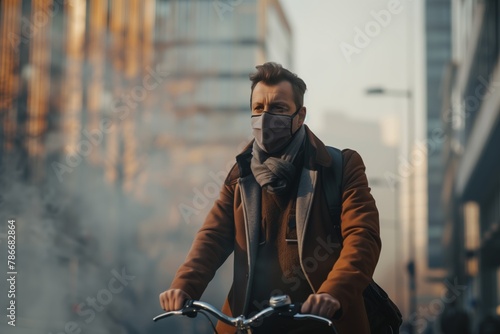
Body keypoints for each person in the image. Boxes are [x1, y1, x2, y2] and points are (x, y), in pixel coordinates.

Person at [159, 62, 381, 334]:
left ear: (300, 116)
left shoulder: (340, 166)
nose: (265, 118)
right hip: (250, 324)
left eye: (278, 108)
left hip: (323, 323)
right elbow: (213, 237)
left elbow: (363, 237)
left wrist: (333, 293)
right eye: (258, 108)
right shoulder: (240, 175)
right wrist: (184, 285)